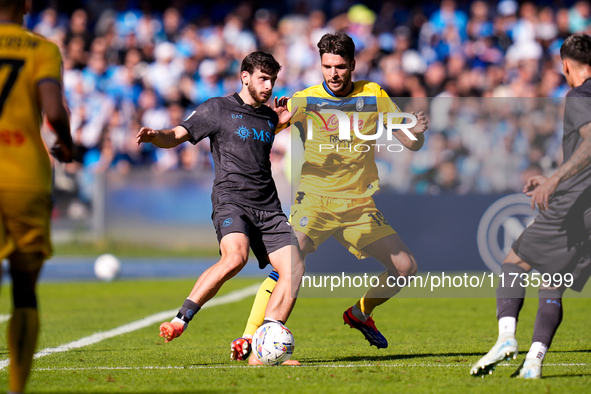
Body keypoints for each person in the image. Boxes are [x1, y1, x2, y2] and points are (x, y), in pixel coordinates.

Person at [230, 32, 428, 365]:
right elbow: (261, 133)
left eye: (339, 66)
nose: (333, 74)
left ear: (352, 64)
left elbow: (410, 143)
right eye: (326, 66)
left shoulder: (373, 94)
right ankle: (251, 339)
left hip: (358, 206)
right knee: (289, 267)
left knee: (405, 267)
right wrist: (270, 125)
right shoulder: (305, 100)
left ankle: (360, 313)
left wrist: (417, 135)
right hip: (315, 202)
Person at [136, 51, 305, 346]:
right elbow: (177, 134)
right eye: (263, 79)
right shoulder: (217, 108)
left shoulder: (269, 117)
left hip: (268, 206)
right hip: (232, 200)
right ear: (245, 77)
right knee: (235, 258)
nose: (269, 86)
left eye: (273, 80)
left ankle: (261, 343)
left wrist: (292, 113)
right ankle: (180, 320)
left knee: (294, 268)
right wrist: (155, 136)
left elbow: (283, 120)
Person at [470, 33, 591, 379]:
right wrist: (556, 176)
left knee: (515, 260)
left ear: (566, 65)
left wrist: (555, 182)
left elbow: (590, 143)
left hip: (575, 203)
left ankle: (507, 338)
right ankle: (534, 362)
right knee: (554, 281)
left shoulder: (579, 96)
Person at [0, 1, 74, 393]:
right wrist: (66, 142)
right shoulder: (41, 49)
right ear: (26, 4)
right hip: (25, 176)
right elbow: (53, 110)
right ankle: (15, 390)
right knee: (24, 290)